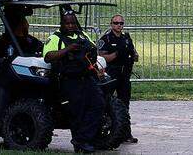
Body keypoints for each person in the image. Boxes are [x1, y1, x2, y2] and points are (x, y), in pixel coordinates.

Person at [43, 12, 106, 154]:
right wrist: (68, 49)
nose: (70, 26)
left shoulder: (83, 35)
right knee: (76, 112)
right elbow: (48, 56)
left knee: (99, 105)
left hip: (87, 78)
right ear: (62, 24)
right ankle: (80, 143)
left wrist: (97, 70)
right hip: (69, 80)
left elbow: (92, 52)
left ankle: (83, 139)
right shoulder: (55, 38)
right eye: (67, 23)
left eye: (73, 23)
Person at [98, 14, 139, 144]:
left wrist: (133, 55)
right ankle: (105, 130)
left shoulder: (126, 39)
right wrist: (116, 53)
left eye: (121, 23)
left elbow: (135, 55)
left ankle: (126, 133)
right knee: (107, 103)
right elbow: (101, 58)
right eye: (116, 23)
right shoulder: (106, 39)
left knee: (125, 104)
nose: (119, 26)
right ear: (111, 24)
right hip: (111, 74)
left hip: (124, 75)